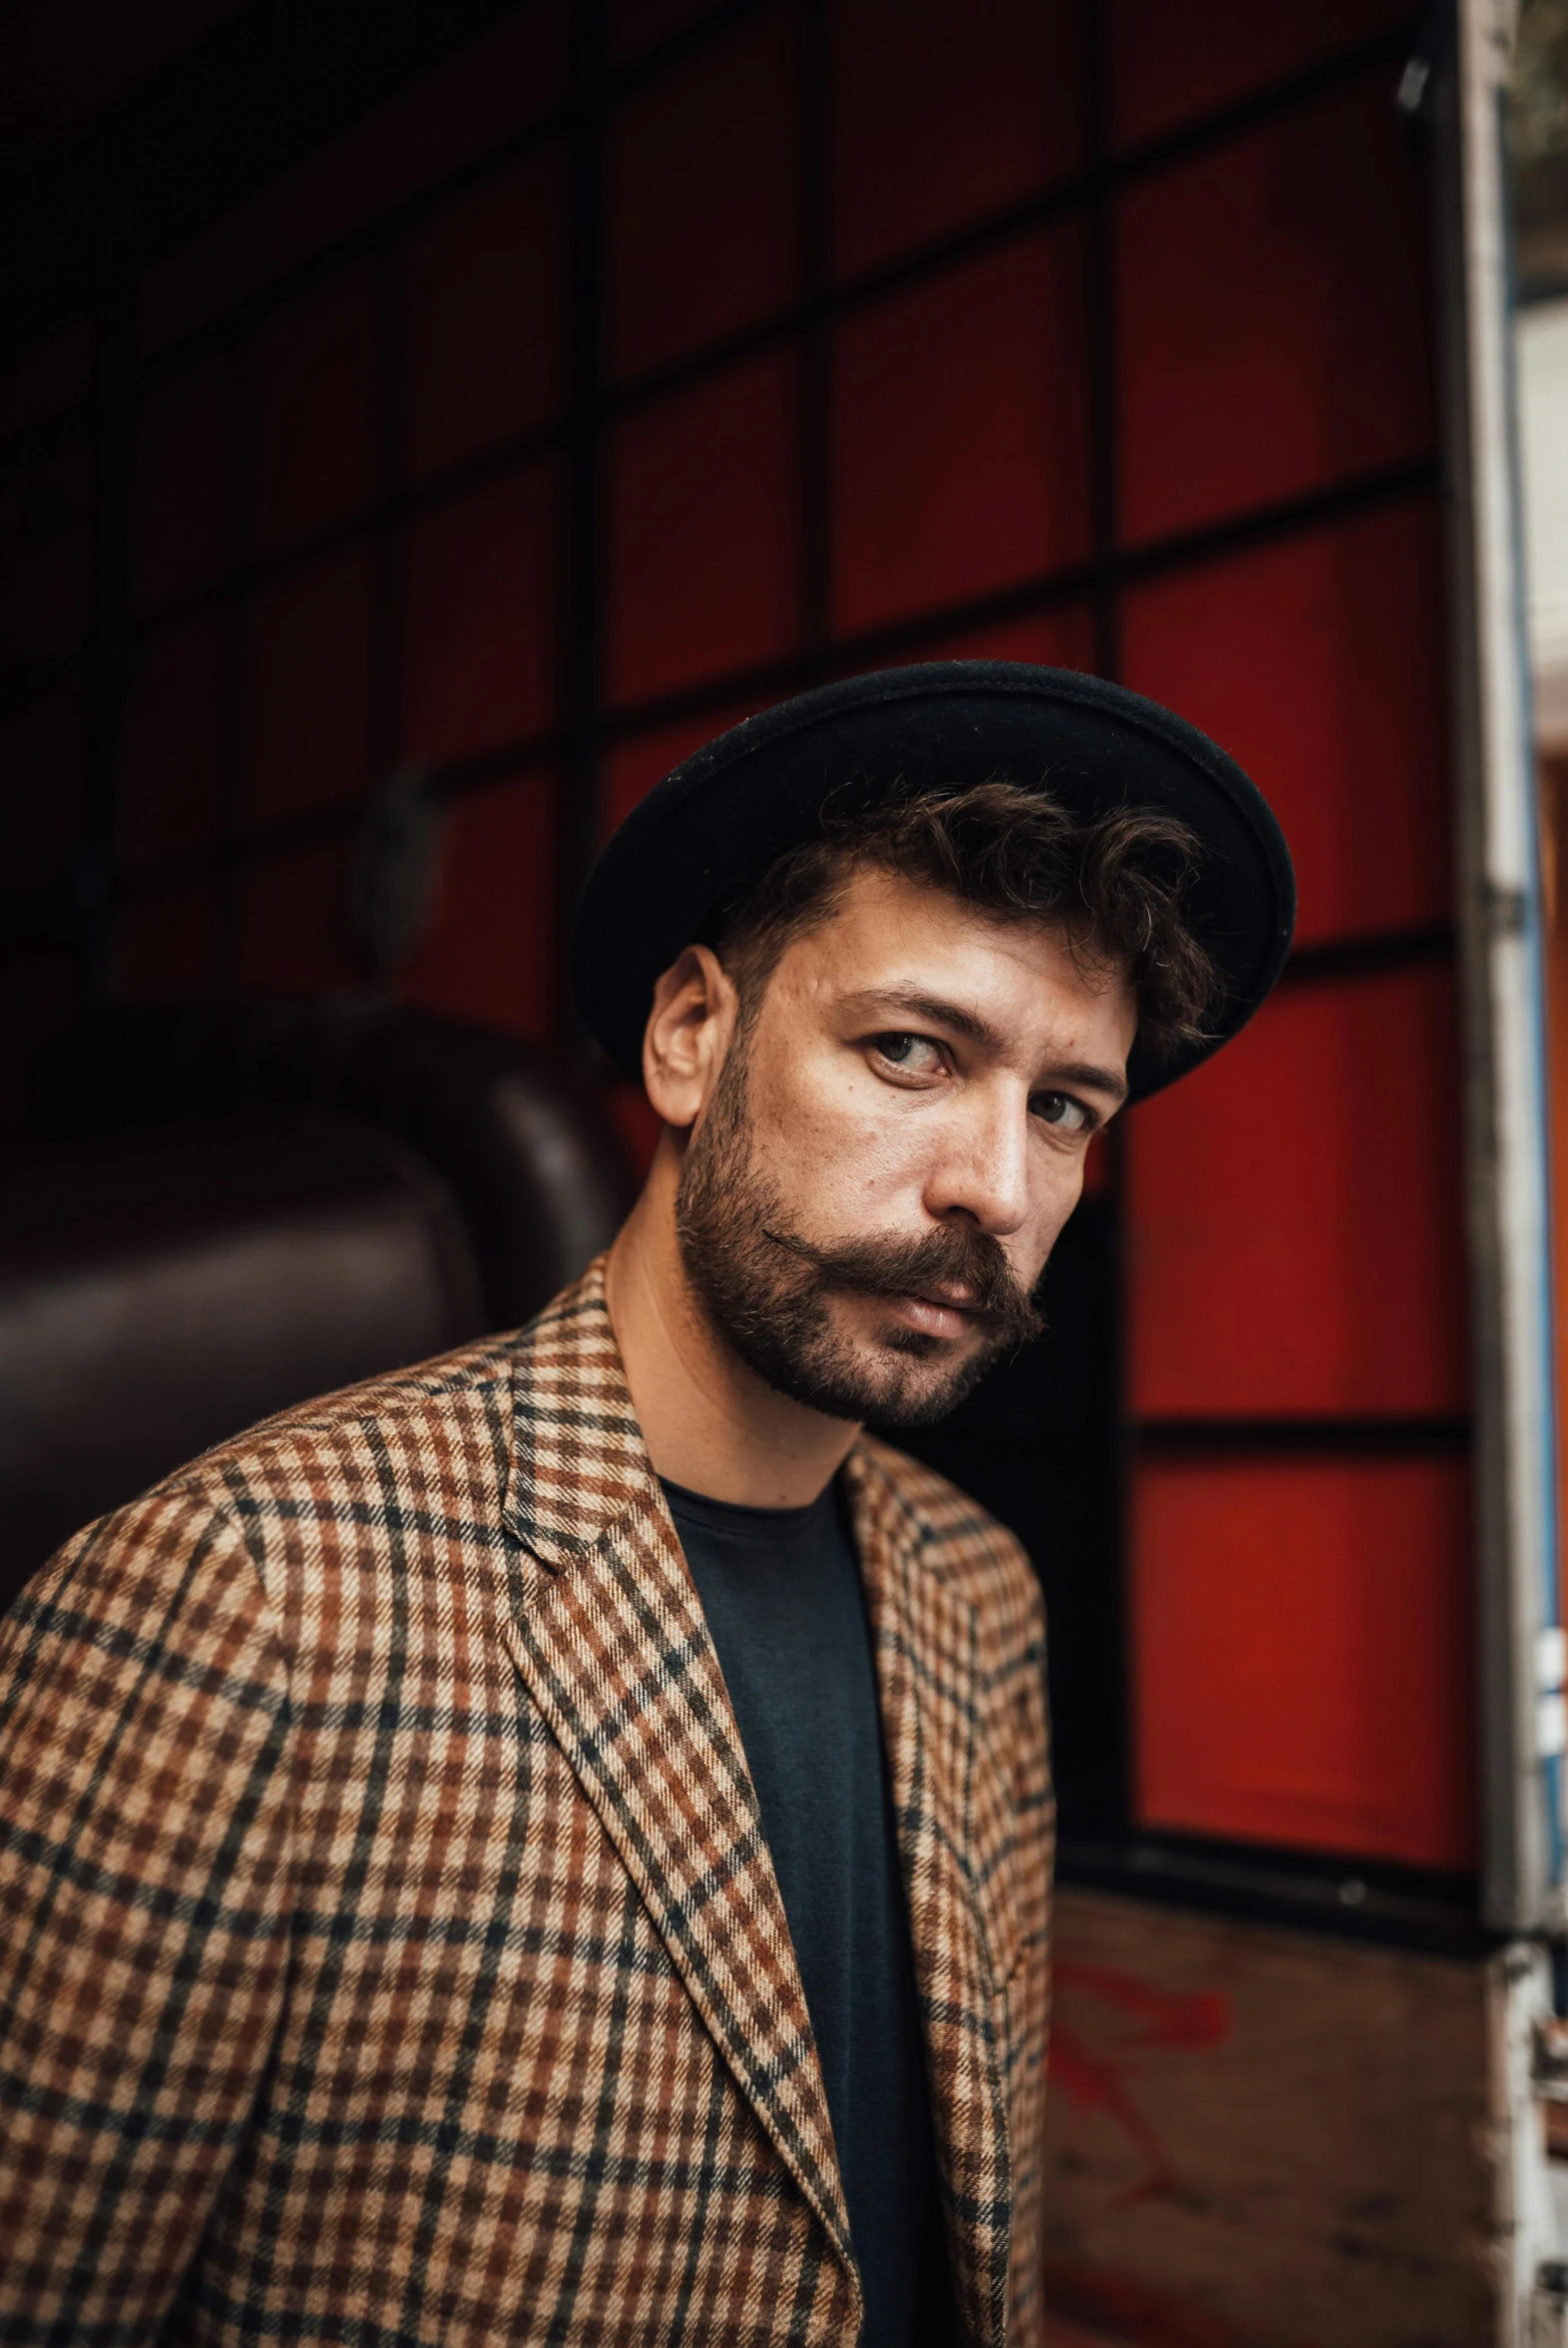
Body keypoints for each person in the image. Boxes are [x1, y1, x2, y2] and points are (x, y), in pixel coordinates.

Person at [0, 664, 1293, 2346]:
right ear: (693, 1036)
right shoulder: (246, 1592)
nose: (996, 1184)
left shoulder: (978, 1593)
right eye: (911, 1052)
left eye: (1062, 1108)